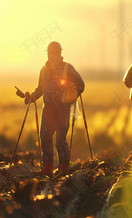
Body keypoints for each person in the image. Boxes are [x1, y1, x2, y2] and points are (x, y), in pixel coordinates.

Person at [24, 41, 85, 177]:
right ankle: (47, 170)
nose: (51, 55)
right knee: (45, 138)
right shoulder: (44, 70)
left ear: (60, 53)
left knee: (60, 140)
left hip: (63, 109)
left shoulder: (67, 68)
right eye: (49, 52)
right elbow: (40, 89)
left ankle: (63, 171)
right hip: (48, 109)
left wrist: (72, 95)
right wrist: (31, 98)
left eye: (54, 52)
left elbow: (80, 85)